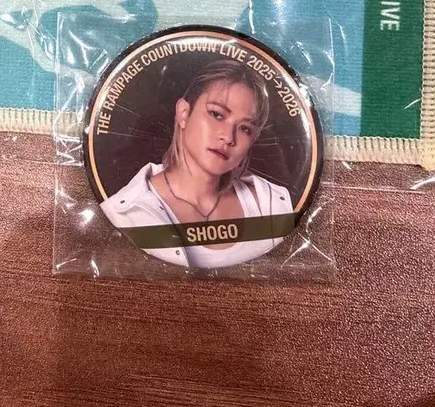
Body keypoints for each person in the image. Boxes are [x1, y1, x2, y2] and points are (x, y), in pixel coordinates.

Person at [100, 58, 292, 269]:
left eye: (245, 128)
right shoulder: (122, 213)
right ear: (184, 113)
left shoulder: (273, 206)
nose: (228, 137)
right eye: (217, 114)